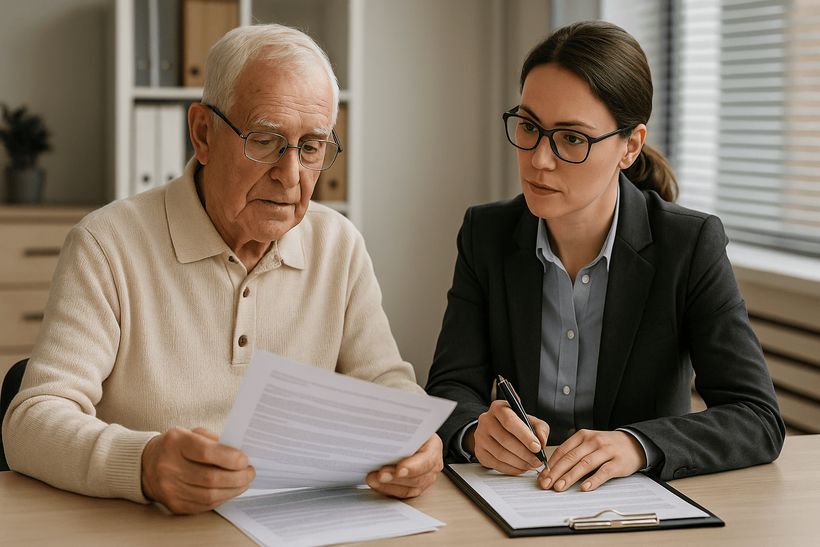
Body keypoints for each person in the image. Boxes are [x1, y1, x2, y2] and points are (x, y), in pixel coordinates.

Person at [2, 24, 442, 514]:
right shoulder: (106, 245)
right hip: (149, 528)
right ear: (203, 134)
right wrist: (143, 464)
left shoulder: (338, 244)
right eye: (265, 139)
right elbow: (31, 421)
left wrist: (418, 441)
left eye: (312, 146)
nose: (291, 174)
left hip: (297, 524)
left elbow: (388, 387)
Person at [425, 20, 784, 493]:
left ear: (629, 147)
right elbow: (451, 388)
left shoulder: (688, 244)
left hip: (638, 505)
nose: (539, 159)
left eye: (571, 138)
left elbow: (756, 417)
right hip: (519, 494)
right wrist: (475, 434)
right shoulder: (485, 234)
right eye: (530, 126)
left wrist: (636, 445)